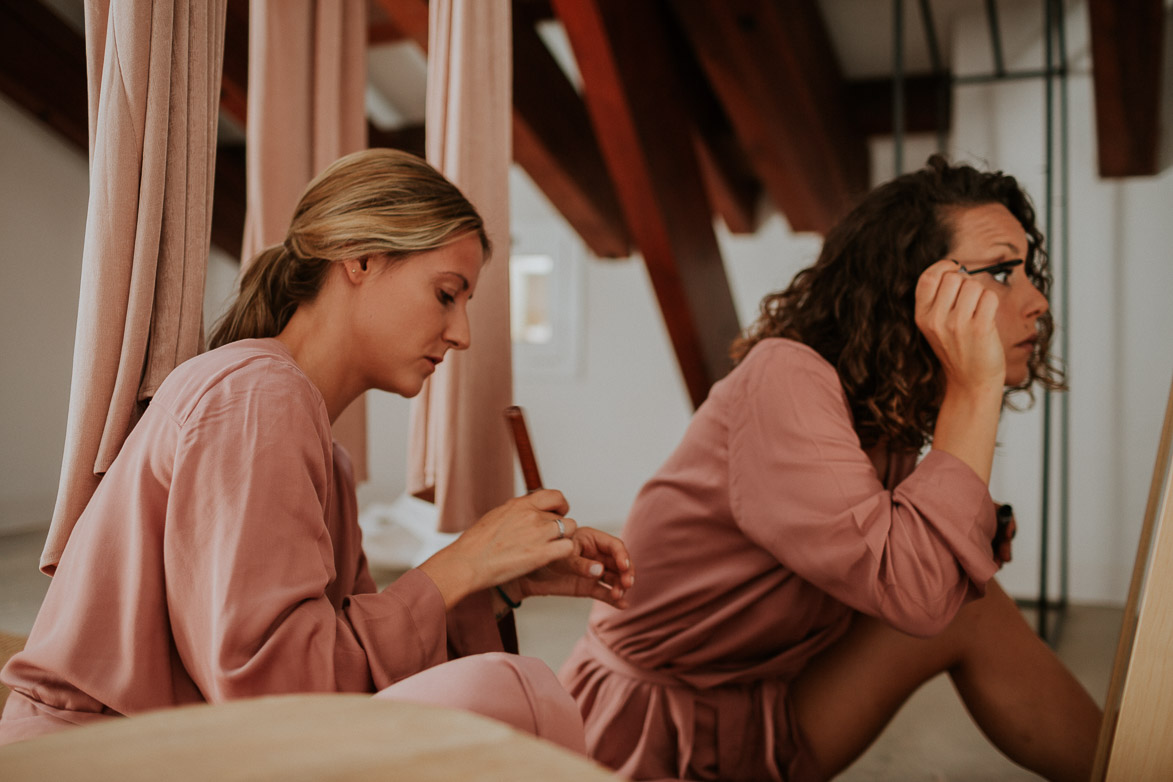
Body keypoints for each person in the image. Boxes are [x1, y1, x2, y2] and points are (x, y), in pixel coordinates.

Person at [0, 149, 633, 749]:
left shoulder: (317, 446)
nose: (461, 334)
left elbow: (352, 667)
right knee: (516, 692)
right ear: (358, 260)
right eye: (446, 293)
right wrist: (458, 564)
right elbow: (273, 691)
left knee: (502, 693)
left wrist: (496, 586)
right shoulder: (257, 395)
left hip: (176, 746)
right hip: (97, 759)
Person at [559, 156, 1101, 781]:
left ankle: (1134, 766)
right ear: (913, 289)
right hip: (651, 729)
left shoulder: (881, 410)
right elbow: (919, 593)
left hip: (763, 701)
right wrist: (973, 392)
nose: (1036, 300)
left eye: (1029, 272)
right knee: (948, 602)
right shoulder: (785, 378)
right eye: (1003, 271)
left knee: (973, 608)